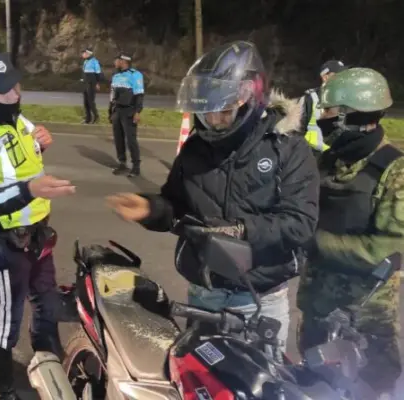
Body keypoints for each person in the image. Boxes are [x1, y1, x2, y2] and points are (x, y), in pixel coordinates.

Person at [107, 41, 320, 352]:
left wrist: (241, 231)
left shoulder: (287, 148)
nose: (214, 120)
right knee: (198, 376)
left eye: (223, 111)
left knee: (258, 379)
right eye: (206, 111)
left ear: (249, 97)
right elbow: (177, 207)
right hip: (204, 295)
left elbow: (300, 223)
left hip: (259, 300)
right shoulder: (195, 149)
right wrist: (151, 208)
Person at [0, 50, 76, 399]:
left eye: (16, 85)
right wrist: (30, 189)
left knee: (47, 306)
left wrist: (39, 145)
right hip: (5, 244)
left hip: (38, 235)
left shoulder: (16, 118)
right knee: (7, 321)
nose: (14, 94)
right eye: (4, 90)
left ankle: (51, 371)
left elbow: (20, 162)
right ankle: (5, 391)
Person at [297, 67, 404, 399]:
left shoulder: (395, 170)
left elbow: (389, 248)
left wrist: (316, 242)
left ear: (354, 116)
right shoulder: (329, 161)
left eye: (330, 112)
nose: (322, 119)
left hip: (363, 323)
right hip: (317, 310)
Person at [298, 60, 347, 154]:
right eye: (339, 76)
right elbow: (296, 131)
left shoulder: (342, 103)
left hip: (325, 156)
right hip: (304, 152)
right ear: (325, 77)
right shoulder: (309, 99)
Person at [109, 52, 144, 177]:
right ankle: (122, 163)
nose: (115, 62)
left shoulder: (135, 75)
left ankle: (136, 166)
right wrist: (110, 111)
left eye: (116, 60)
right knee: (118, 139)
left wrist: (137, 111)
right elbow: (112, 95)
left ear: (123, 61)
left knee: (131, 140)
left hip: (129, 111)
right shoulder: (116, 75)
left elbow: (139, 94)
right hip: (117, 110)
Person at [81, 47, 104, 124]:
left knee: (91, 101)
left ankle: (96, 117)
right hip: (86, 83)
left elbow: (98, 73)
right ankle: (88, 118)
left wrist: (97, 83)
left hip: (91, 83)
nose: (83, 54)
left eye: (84, 53)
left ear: (89, 54)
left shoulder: (95, 62)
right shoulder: (85, 61)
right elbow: (84, 73)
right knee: (86, 102)